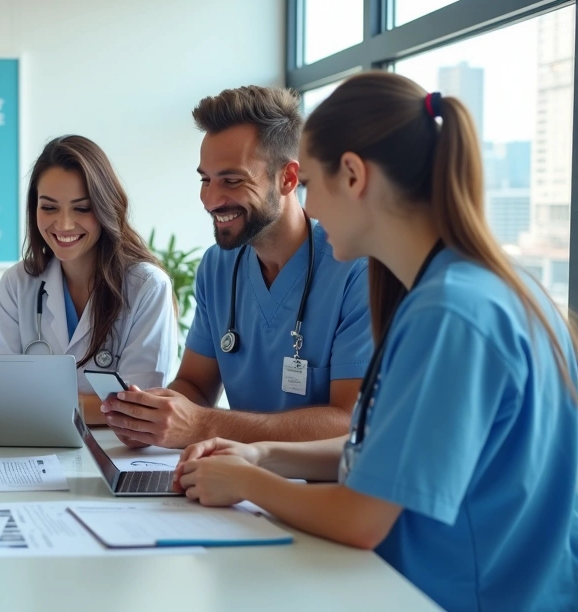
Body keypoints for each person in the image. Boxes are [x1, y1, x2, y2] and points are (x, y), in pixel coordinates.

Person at [174, 72, 578, 611]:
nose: (309, 211)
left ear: (354, 175)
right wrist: (263, 453)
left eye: (312, 186)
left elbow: (363, 518)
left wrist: (247, 481)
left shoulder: (450, 313)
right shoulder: (484, 286)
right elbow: (394, 455)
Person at [103, 86, 372, 448]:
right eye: (205, 179)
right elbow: (196, 385)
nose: (210, 200)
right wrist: (154, 416)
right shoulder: (218, 266)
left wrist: (204, 426)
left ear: (288, 179)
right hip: (237, 483)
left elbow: (348, 421)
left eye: (232, 181)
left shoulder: (354, 271)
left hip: (319, 489)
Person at [0, 135, 176, 424]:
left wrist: (35, 405)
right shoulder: (18, 283)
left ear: (105, 207)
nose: (63, 224)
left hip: (118, 451)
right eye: (49, 207)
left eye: (82, 208)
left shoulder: (147, 288)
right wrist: (98, 404)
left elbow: (141, 409)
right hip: (35, 445)